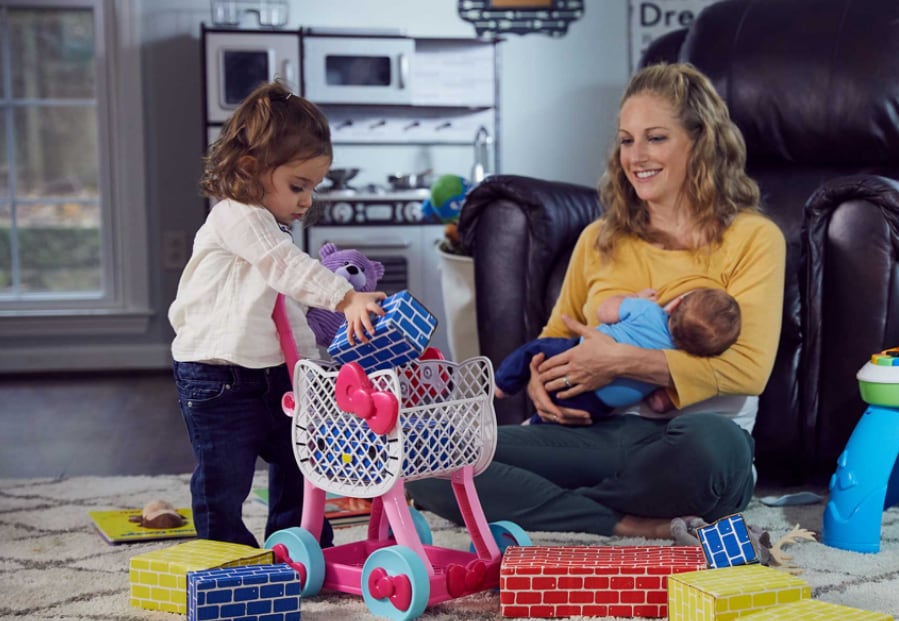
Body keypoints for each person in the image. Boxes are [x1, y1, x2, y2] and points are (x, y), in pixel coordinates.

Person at [406, 62, 786, 542]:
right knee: (428, 460)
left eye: (655, 138)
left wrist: (620, 361)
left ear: (700, 141)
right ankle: (623, 521)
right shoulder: (599, 239)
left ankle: (545, 502)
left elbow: (748, 370)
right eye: (627, 140)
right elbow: (553, 339)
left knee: (714, 449)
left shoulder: (753, 238)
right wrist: (540, 384)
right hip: (590, 436)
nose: (636, 156)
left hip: (690, 441)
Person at [168, 81, 386, 548]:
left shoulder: (270, 228)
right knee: (224, 475)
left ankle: (300, 542)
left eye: (312, 187)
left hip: (274, 377)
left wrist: (316, 366)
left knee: (300, 459)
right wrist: (345, 297)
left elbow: (287, 307)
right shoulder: (238, 216)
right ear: (251, 169)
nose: (307, 200)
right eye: (297, 186)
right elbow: (286, 267)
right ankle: (224, 554)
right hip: (218, 376)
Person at [495, 287, 741, 424]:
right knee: (564, 423)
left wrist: (633, 298)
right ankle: (533, 425)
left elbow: (605, 311)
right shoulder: (673, 361)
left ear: (675, 304)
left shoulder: (647, 310)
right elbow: (658, 405)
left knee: (534, 350)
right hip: (600, 406)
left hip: (573, 353)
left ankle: (502, 384)